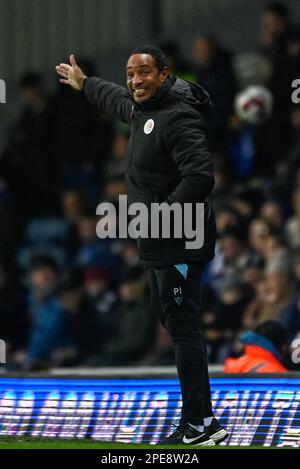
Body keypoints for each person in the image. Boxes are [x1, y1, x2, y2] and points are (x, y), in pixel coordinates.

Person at [56, 46, 228, 446]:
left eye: (144, 73)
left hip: (182, 239)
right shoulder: (141, 109)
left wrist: (161, 217)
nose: (135, 81)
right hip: (161, 242)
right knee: (172, 318)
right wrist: (86, 85)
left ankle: (201, 424)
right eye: (131, 74)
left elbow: (200, 177)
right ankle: (198, 421)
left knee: (182, 325)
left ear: (164, 75)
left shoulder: (179, 116)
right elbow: (115, 98)